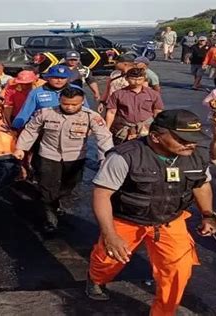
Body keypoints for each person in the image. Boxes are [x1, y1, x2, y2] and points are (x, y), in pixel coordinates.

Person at [86, 109, 216, 316]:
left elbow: (202, 184)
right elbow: (102, 195)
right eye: (183, 139)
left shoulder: (197, 156)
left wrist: (208, 214)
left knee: (178, 271)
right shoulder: (125, 156)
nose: (191, 144)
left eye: (194, 138)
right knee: (107, 259)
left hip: (170, 221)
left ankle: (164, 312)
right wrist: (110, 235)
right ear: (155, 136)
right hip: (127, 220)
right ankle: (96, 279)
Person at [13, 87, 113, 232]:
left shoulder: (91, 116)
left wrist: (105, 158)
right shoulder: (46, 113)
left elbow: (104, 137)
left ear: (82, 102)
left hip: (75, 157)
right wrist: (21, 147)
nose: (70, 107)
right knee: (47, 187)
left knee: (70, 185)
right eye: (66, 104)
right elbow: (31, 130)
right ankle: (51, 218)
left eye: (75, 104)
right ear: (60, 100)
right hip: (48, 155)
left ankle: (56, 200)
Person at [12, 65, 88, 129]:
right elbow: (25, 113)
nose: (59, 80)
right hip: (44, 131)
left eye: (63, 78)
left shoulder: (77, 90)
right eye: (55, 77)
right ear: (48, 78)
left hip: (71, 129)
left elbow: (86, 111)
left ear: (68, 78)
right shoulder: (36, 93)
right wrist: (14, 128)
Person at [106, 68, 164, 145]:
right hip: (123, 128)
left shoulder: (153, 94)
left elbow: (157, 111)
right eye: (133, 79)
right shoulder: (118, 94)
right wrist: (106, 129)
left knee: (146, 149)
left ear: (144, 79)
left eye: (140, 79)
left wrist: (159, 127)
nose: (136, 82)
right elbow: (111, 112)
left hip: (146, 127)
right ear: (126, 79)